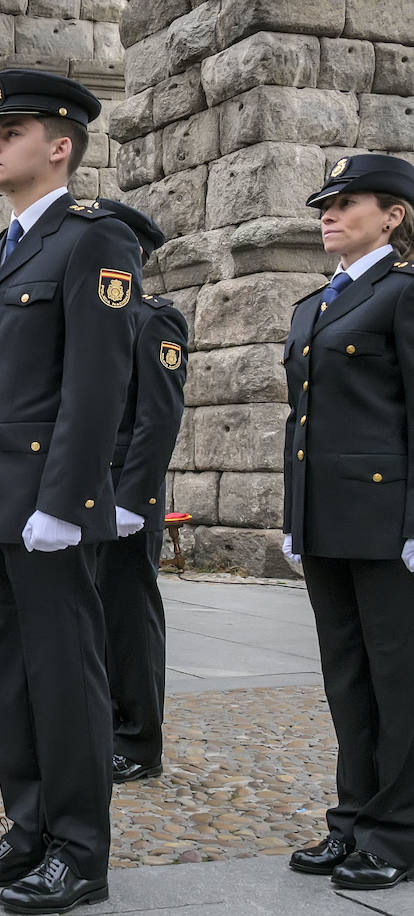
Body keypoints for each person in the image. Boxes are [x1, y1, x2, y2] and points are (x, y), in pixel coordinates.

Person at [0, 71, 139, 913]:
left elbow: (98, 385)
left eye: (10, 129)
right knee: (10, 677)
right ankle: (28, 827)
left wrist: (64, 501)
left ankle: (80, 850)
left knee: (64, 679)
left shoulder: (94, 240)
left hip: (45, 508)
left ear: (60, 145)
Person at [282, 154, 414, 892]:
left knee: (400, 682)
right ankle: (354, 820)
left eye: (347, 202)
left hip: (387, 520)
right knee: (347, 680)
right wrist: (294, 516)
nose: (328, 213)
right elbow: (302, 421)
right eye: (323, 204)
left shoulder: (402, 296)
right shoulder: (315, 305)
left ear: (392, 216)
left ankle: (396, 833)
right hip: (328, 520)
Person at [87, 200, 189, 786]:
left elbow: (158, 419)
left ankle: (138, 740)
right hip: (83, 490)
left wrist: (134, 500)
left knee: (127, 618)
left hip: (125, 497)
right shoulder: (96, 318)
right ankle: (103, 727)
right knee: (92, 618)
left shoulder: (154, 321)